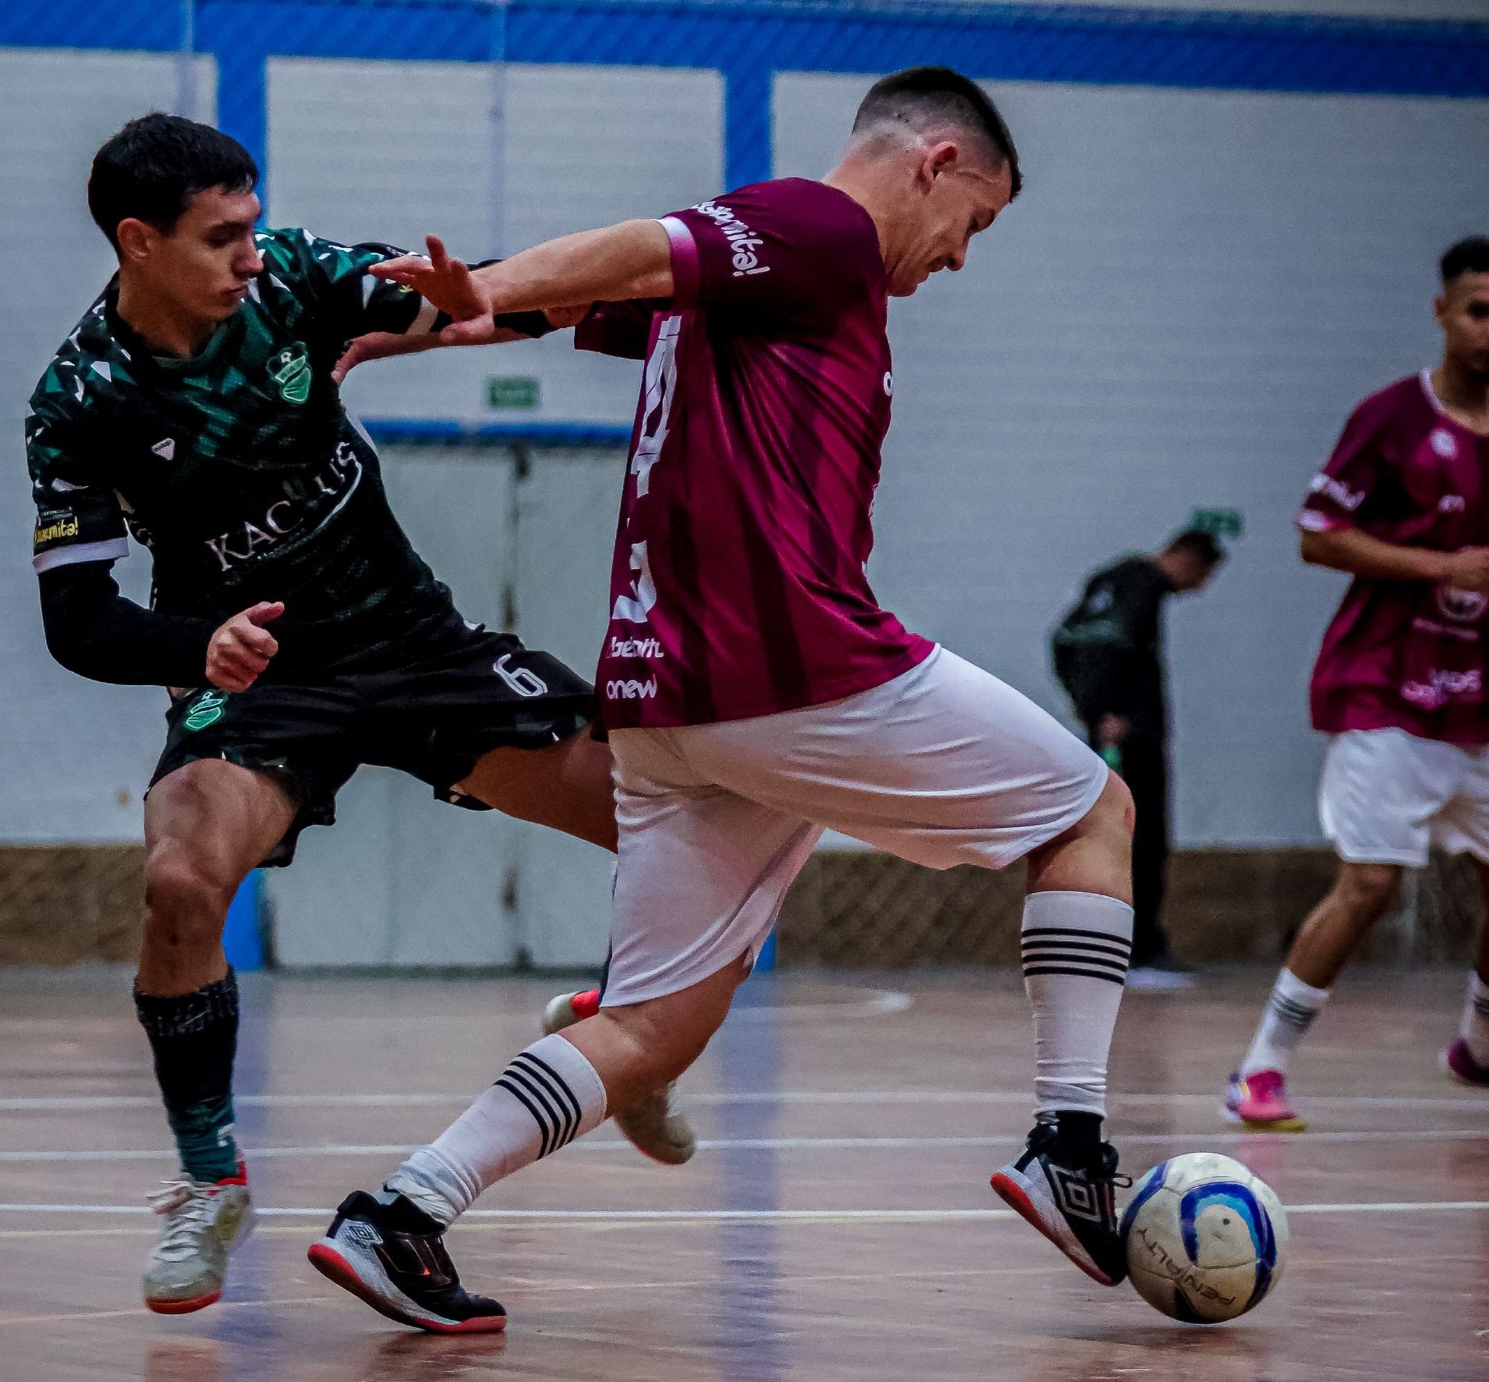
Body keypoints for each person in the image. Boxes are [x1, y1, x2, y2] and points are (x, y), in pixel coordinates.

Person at [308, 66, 1137, 1334]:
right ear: (934, 161)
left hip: (664, 710)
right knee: (1092, 811)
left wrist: (468, 317)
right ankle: (1068, 1141)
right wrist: (486, 289)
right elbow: (643, 242)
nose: (961, 257)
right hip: (795, 666)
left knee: (652, 1026)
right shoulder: (821, 227)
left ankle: (402, 1212)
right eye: (978, 221)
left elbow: (613, 286)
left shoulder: (760, 284)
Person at [26, 113, 685, 1316]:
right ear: (138, 242)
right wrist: (195, 645)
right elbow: (77, 617)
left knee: (674, 822)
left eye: (253, 224)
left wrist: (493, 304)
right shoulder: (81, 397)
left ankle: (620, 1028)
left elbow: (477, 303)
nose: (249, 252)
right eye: (220, 236)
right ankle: (210, 1179)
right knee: (179, 884)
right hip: (262, 680)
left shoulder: (295, 279)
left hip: (414, 643)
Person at [1223, 236, 1489, 1132]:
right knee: (1370, 885)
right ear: (1444, 314)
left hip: (1481, 706)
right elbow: (1317, 533)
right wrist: (1437, 566)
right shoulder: (1393, 417)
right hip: (1389, 692)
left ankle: (1480, 1045)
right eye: (1478, 311)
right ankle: (1261, 1067)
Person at [1052, 530, 1225, 989]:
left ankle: (1111, 947)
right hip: (1130, 739)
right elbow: (1107, 647)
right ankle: (1136, 951)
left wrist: (1088, 709)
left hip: (1111, 735)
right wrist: (1109, 711)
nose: (1199, 588)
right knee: (1140, 836)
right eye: (1203, 576)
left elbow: (1064, 641)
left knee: (1112, 832)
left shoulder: (1109, 579)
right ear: (1189, 560)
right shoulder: (1143, 586)